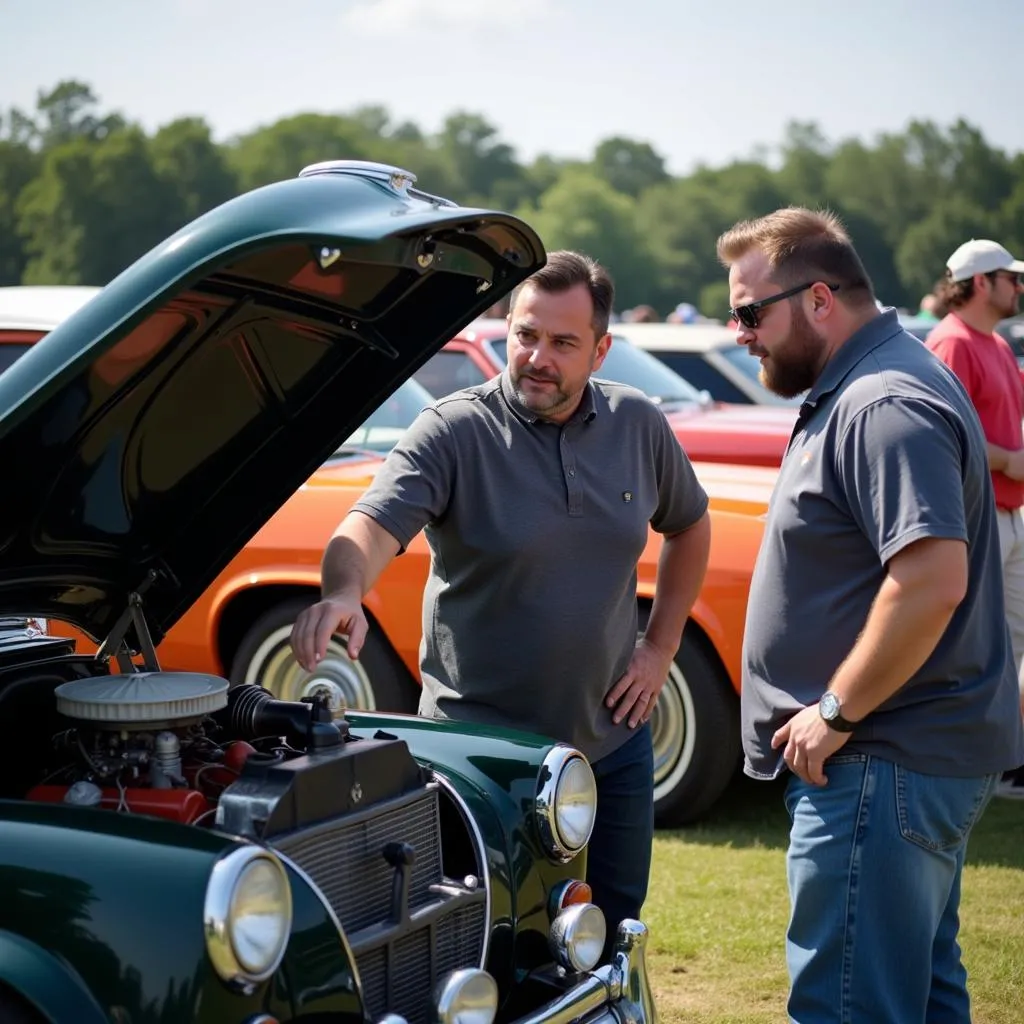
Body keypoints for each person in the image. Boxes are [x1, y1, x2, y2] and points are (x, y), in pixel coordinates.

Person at [290, 250, 712, 950]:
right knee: (485, 948)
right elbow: (368, 526)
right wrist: (343, 592)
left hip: (611, 749)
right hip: (478, 760)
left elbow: (690, 525)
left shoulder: (638, 424)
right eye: (525, 334)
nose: (537, 357)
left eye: (563, 343)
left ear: (601, 350)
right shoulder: (454, 430)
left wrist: (660, 647)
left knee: (605, 938)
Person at [717, 208, 1024, 1023]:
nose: (737, 330)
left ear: (819, 299)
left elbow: (930, 581)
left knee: (850, 1006)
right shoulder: (871, 381)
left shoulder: (883, 399)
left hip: (879, 763)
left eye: (750, 311)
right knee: (918, 998)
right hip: (897, 767)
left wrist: (834, 710)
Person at [925, 240, 1024, 794]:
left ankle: (1004, 754)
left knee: (1011, 644)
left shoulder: (995, 343)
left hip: (1008, 514)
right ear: (981, 282)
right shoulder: (953, 343)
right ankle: (983, 757)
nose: (1019, 287)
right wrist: (1012, 460)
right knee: (982, 644)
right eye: (1011, 277)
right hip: (977, 520)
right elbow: (943, 431)